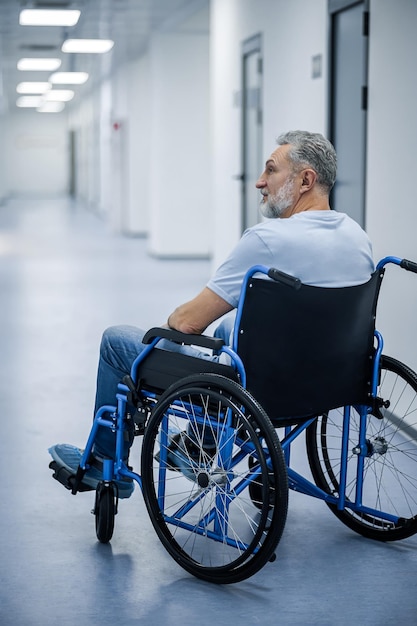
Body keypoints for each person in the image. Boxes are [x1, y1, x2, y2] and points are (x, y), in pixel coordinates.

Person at [49, 130, 374, 498]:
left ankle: (104, 463)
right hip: (332, 382)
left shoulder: (267, 240)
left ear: (306, 180)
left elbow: (189, 322)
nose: (259, 182)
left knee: (117, 339)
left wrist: (173, 320)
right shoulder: (357, 237)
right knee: (230, 324)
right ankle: (198, 445)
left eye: (270, 170)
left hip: (261, 389)